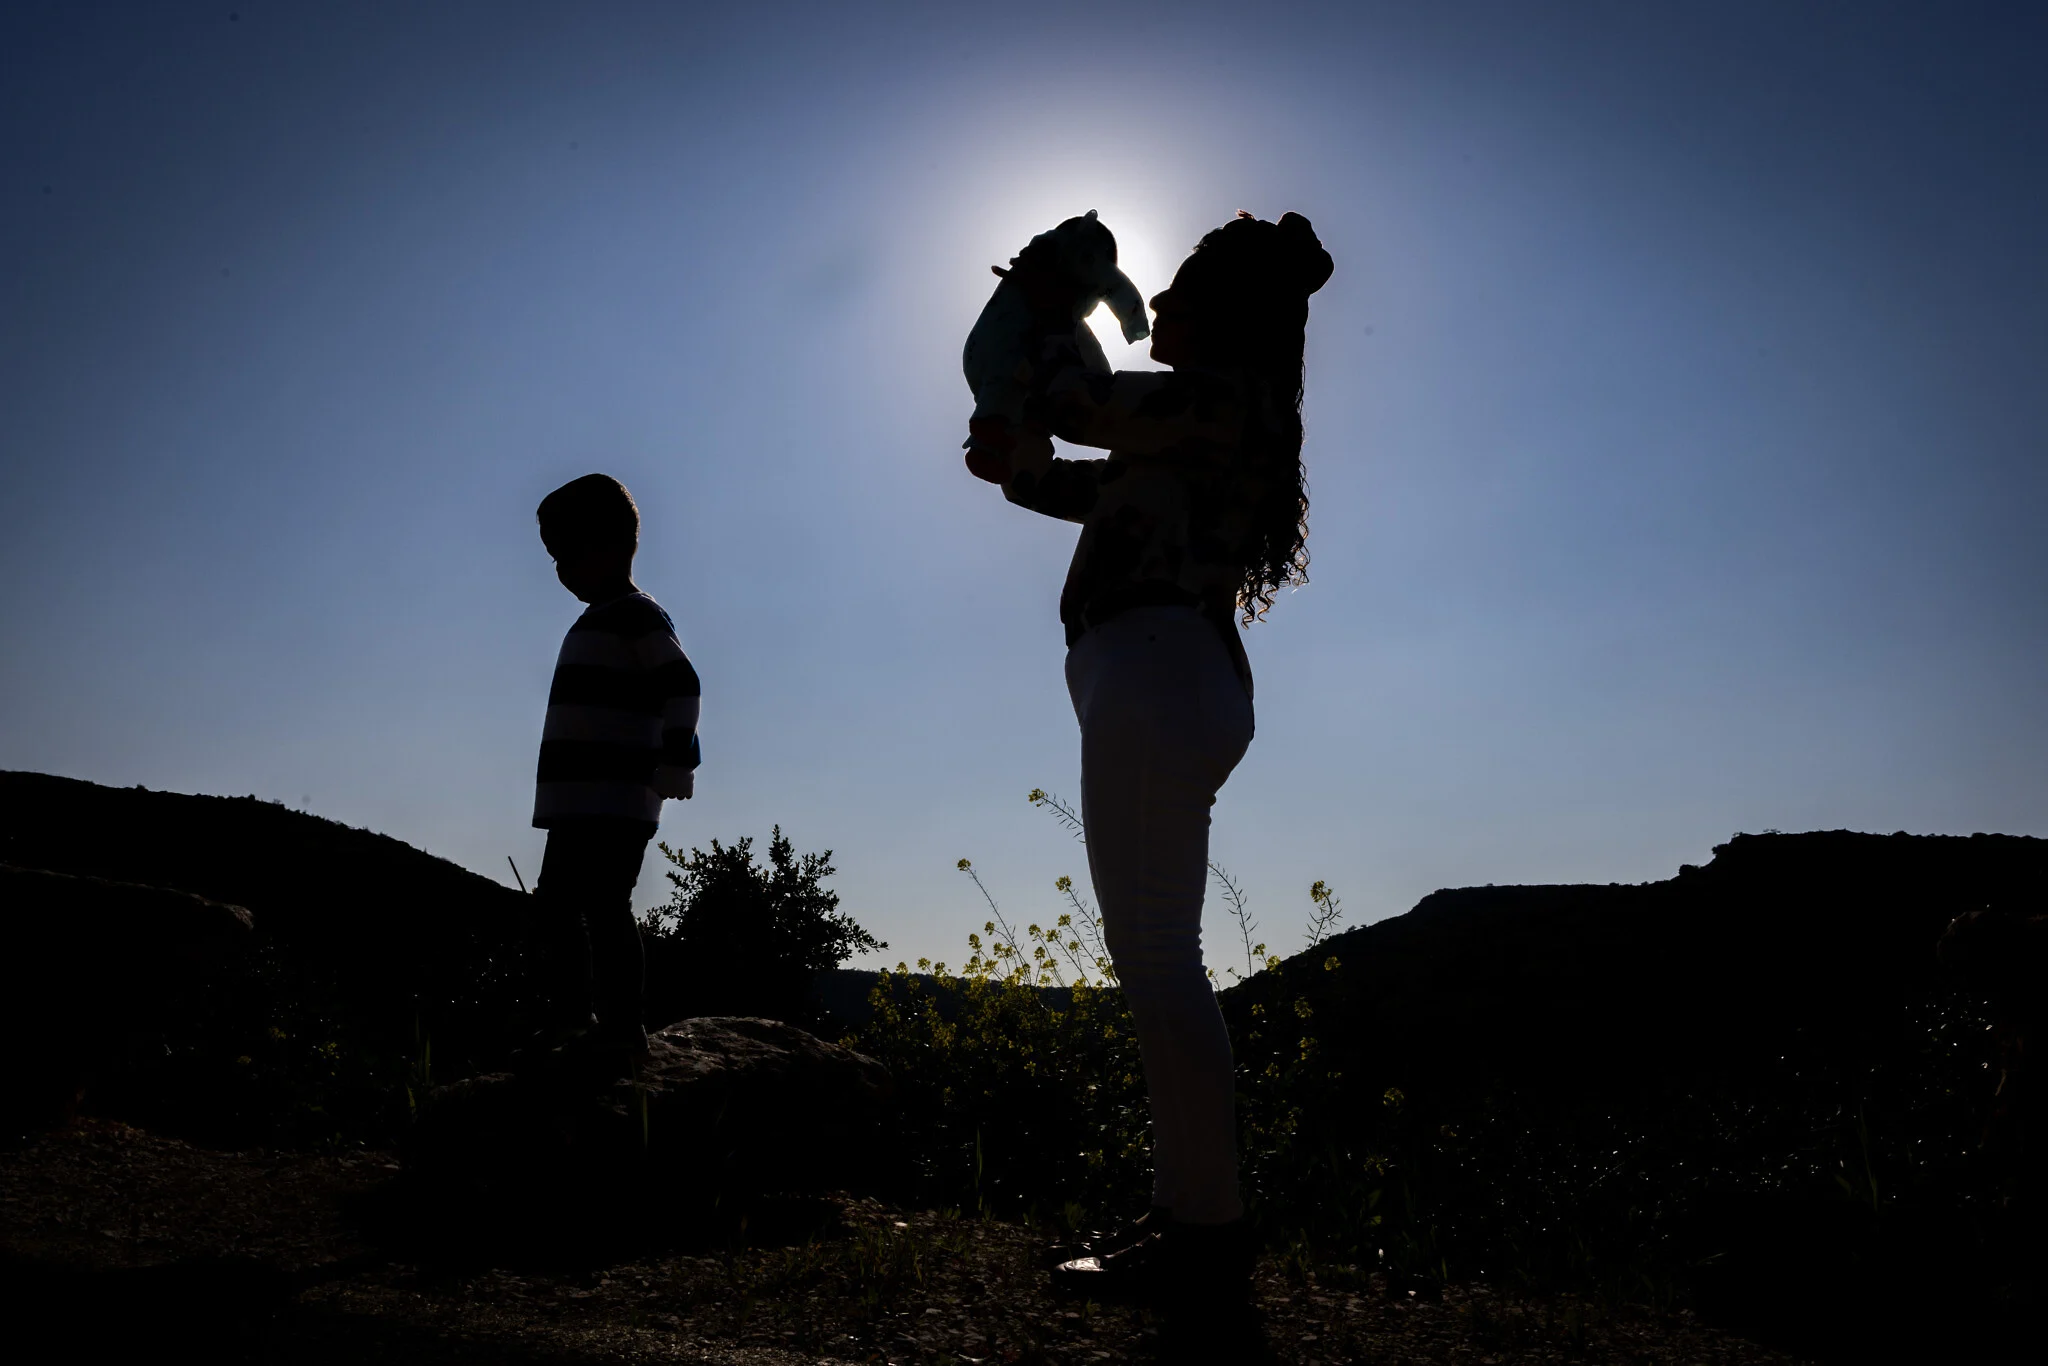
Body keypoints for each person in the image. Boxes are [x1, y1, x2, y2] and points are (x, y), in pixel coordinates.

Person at [965, 211, 1333, 1304]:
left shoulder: (1215, 397)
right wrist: (1010, 465)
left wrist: (1035, 311)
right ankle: (1189, 1213)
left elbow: (1077, 406)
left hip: (1155, 670)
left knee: (1157, 959)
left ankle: (1202, 1228)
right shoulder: (1203, 418)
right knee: (1159, 956)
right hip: (1164, 673)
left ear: (1215, 315)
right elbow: (1072, 481)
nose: (1151, 311)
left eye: (1168, 295)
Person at [527, 473, 701, 1062]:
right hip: (577, 804)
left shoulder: (636, 614)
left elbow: (681, 682)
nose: (558, 570)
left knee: (603, 906)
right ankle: (574, 1019)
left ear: (606, 545)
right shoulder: (600, 620)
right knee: (557, 907)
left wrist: (679, 757)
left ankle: (623, 1028)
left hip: (615, 802)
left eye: (565, 553)